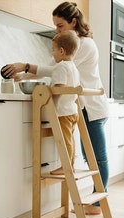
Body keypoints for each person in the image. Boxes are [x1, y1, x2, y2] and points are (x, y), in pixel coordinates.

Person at [3, 2, 109, 215]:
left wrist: (25, 66)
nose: (57, 30)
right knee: (90, 156)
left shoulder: (83, 44)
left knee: (96, 157)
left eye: (60, 26)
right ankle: (97, 201)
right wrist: (23, 75)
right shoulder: (70, 44)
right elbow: (52, 66)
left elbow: (54, 69)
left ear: (73, 22)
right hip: (81, 105)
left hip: (91, 106)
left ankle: (98, 203)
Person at [49, 30, 80, 176]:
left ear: (61, 51)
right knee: (70, 140)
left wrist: (48, 96)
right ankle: (70, 165)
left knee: (65, 141)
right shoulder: (73, 66)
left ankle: (67, 166)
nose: (53, 54)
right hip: (73, 111)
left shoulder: (61, 66)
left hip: (63, 112)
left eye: (53, 50)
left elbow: (59, 88)